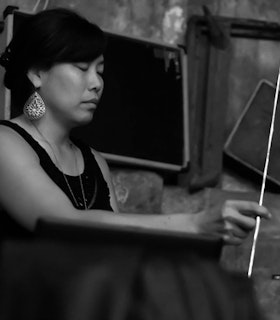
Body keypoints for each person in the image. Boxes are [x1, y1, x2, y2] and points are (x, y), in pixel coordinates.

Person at [0, 8, 270, 245]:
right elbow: (61, 223)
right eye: (82, 67)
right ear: (37, 73)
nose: (96, 83)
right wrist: (193, 224)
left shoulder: (95, 162)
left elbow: (116, 249)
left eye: (100, 70)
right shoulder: (6, 143)